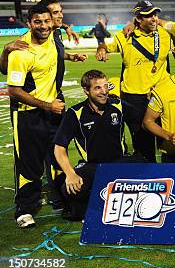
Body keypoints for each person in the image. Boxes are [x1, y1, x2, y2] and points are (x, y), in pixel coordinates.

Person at [7, 4, 71, 228]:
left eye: (47, 21)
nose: (44, 26)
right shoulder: (21, 51)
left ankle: (59, 198)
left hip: (52, 111)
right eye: (38, 22)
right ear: (29, 23)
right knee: (29, 162)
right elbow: (14, 90)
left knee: (56, 156)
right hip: (29, 115)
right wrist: (47, 105)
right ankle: (25, 209)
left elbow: (59, 41)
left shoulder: (54, 35)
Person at [53, 70, 144, 221]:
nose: (104, 92)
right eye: (97, 88)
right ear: (86, 91)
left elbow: (145, 119)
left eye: (106, 86)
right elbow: (59, 147)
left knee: (149, 170)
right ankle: (98, 207)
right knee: (71, 190)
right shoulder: (75, 113)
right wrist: (70, 174)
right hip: (93, 167)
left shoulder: (119, 105)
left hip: (120, 163)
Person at [96, 0, 173, 162]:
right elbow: (107, 46)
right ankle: (147, 180)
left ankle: (171, 179)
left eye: (155, 14)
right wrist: (101, 48)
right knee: (143, 145)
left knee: (168, 143)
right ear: (138, 19)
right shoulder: (124, 36)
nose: (154, 19)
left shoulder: (165, 34)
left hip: (161, 96)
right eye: (148, 16)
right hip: (135, 99)